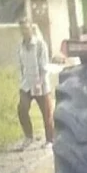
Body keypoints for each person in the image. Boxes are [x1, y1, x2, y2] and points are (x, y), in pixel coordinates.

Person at [17, 17, 54, 149]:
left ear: (31, 29)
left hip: (40, 84)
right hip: (26, 84)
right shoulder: (20, 45)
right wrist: (21, 81)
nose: (24, 31)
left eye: (26, 28)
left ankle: (50, 140)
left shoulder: (40, 44)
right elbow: (21, 65)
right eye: (22, 29)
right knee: (22, 109)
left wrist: (39, 83)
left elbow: (44, 66)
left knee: (46, 113)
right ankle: (28, 137)